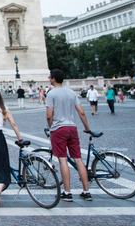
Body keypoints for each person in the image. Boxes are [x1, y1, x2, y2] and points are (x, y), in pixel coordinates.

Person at [46, 69, 93, 202]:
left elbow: (49, 115)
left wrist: (51, 127)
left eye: (50, 77)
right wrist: (87, 127)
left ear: (54, 79)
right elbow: (81, 112)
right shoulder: (72, 93)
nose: (49, 79)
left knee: (62, 160)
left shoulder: (52, 93)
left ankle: (67, 192)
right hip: (72, 128)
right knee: (78, 159)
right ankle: (86, 191)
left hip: (59, 129)